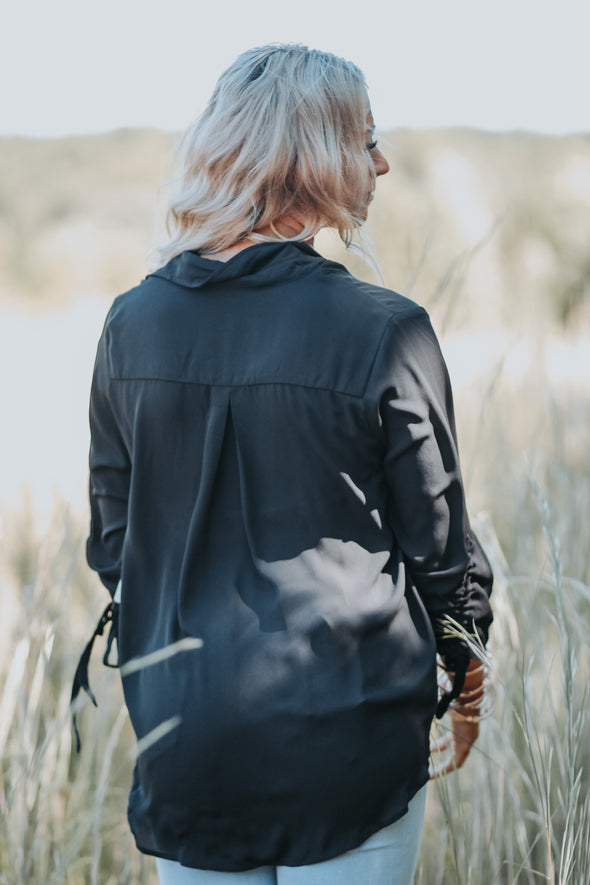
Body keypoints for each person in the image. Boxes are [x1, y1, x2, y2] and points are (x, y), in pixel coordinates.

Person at [79, 44, 493, 885]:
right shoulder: (386, 329)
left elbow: (115, 543)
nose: (382, 162)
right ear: (313, 156)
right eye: (366, 138)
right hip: (352, 739)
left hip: (186, 737)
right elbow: (440, 550)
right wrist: (468, 677)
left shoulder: (131, 323)